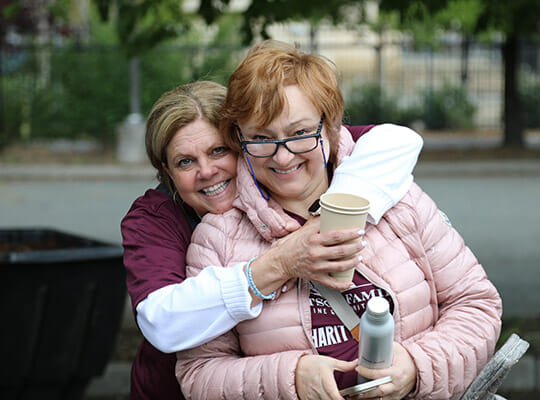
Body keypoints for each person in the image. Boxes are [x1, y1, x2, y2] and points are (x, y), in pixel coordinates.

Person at [175, 40, 502, 399]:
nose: (283, 157)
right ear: (239, 139)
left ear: (329, 126)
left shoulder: (397, 199)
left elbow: (475, 304)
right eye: (262, 138)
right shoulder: (218, 239)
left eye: (300, 133)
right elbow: (199, 373)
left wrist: (416, 366)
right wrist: (290, 378)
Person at [121, 79, 423, 399]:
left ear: (247, 142)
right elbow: (163, 323)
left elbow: (395, 139)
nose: (207, 171)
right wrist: (278, 264)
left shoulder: (281, 171)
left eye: (218, 150)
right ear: (166, 170)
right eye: (185, 161)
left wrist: (325, 220)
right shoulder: (154, 220)